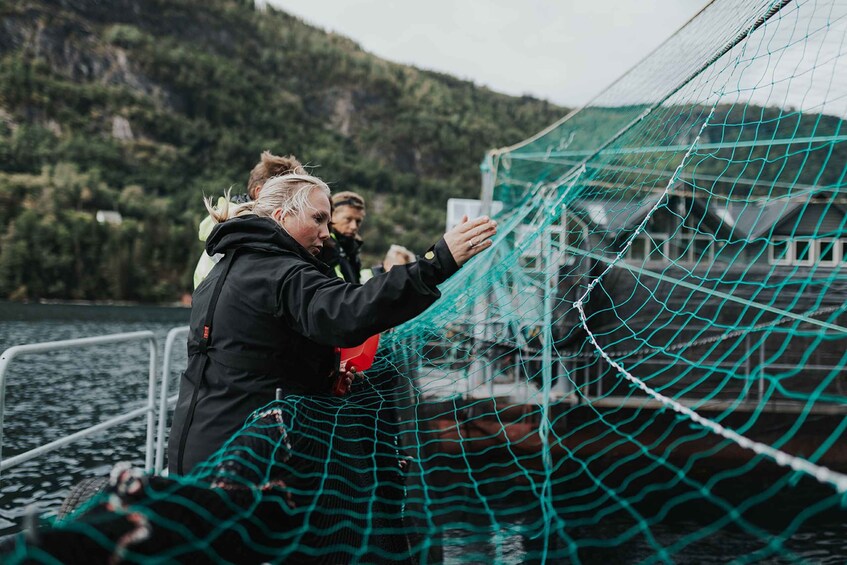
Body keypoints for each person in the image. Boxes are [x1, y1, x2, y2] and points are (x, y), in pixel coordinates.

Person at [169, 171, 497, 475]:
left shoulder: (227, 267)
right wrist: (437, 262)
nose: (327, 233)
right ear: (283, 216)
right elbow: (350, 311)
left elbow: (254, 353)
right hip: (242, 455)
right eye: (318, 219)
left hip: (203, 443)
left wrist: (321, 373)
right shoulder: (280, 272)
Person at [192, 151, 306, 288]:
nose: (296, 205)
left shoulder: (230, 230)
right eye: (290, 195)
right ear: (259, 192)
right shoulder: (242, 233)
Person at [317, 190, 367, 283]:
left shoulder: (351, 251)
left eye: (358, 221)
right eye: (348, 219)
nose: (354, 226)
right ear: (332, 216)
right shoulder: (322, 246)